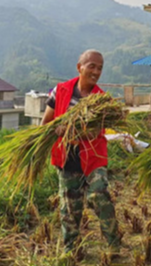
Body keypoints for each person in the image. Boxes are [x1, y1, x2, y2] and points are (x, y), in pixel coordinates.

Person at [41, 49, 121, 254]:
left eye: (100, 68)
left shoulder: (102, 101)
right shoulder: (60, 91)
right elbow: (46, 123)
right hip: (67, 158)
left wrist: (70, 132)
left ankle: (113, 245)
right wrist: (55, 130)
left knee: (99, 195)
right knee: (69, 208)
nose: (96, 71)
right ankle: (71, 250)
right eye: (92, 66)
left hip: (93, 157)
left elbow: (94, 132)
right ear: (79, 67)